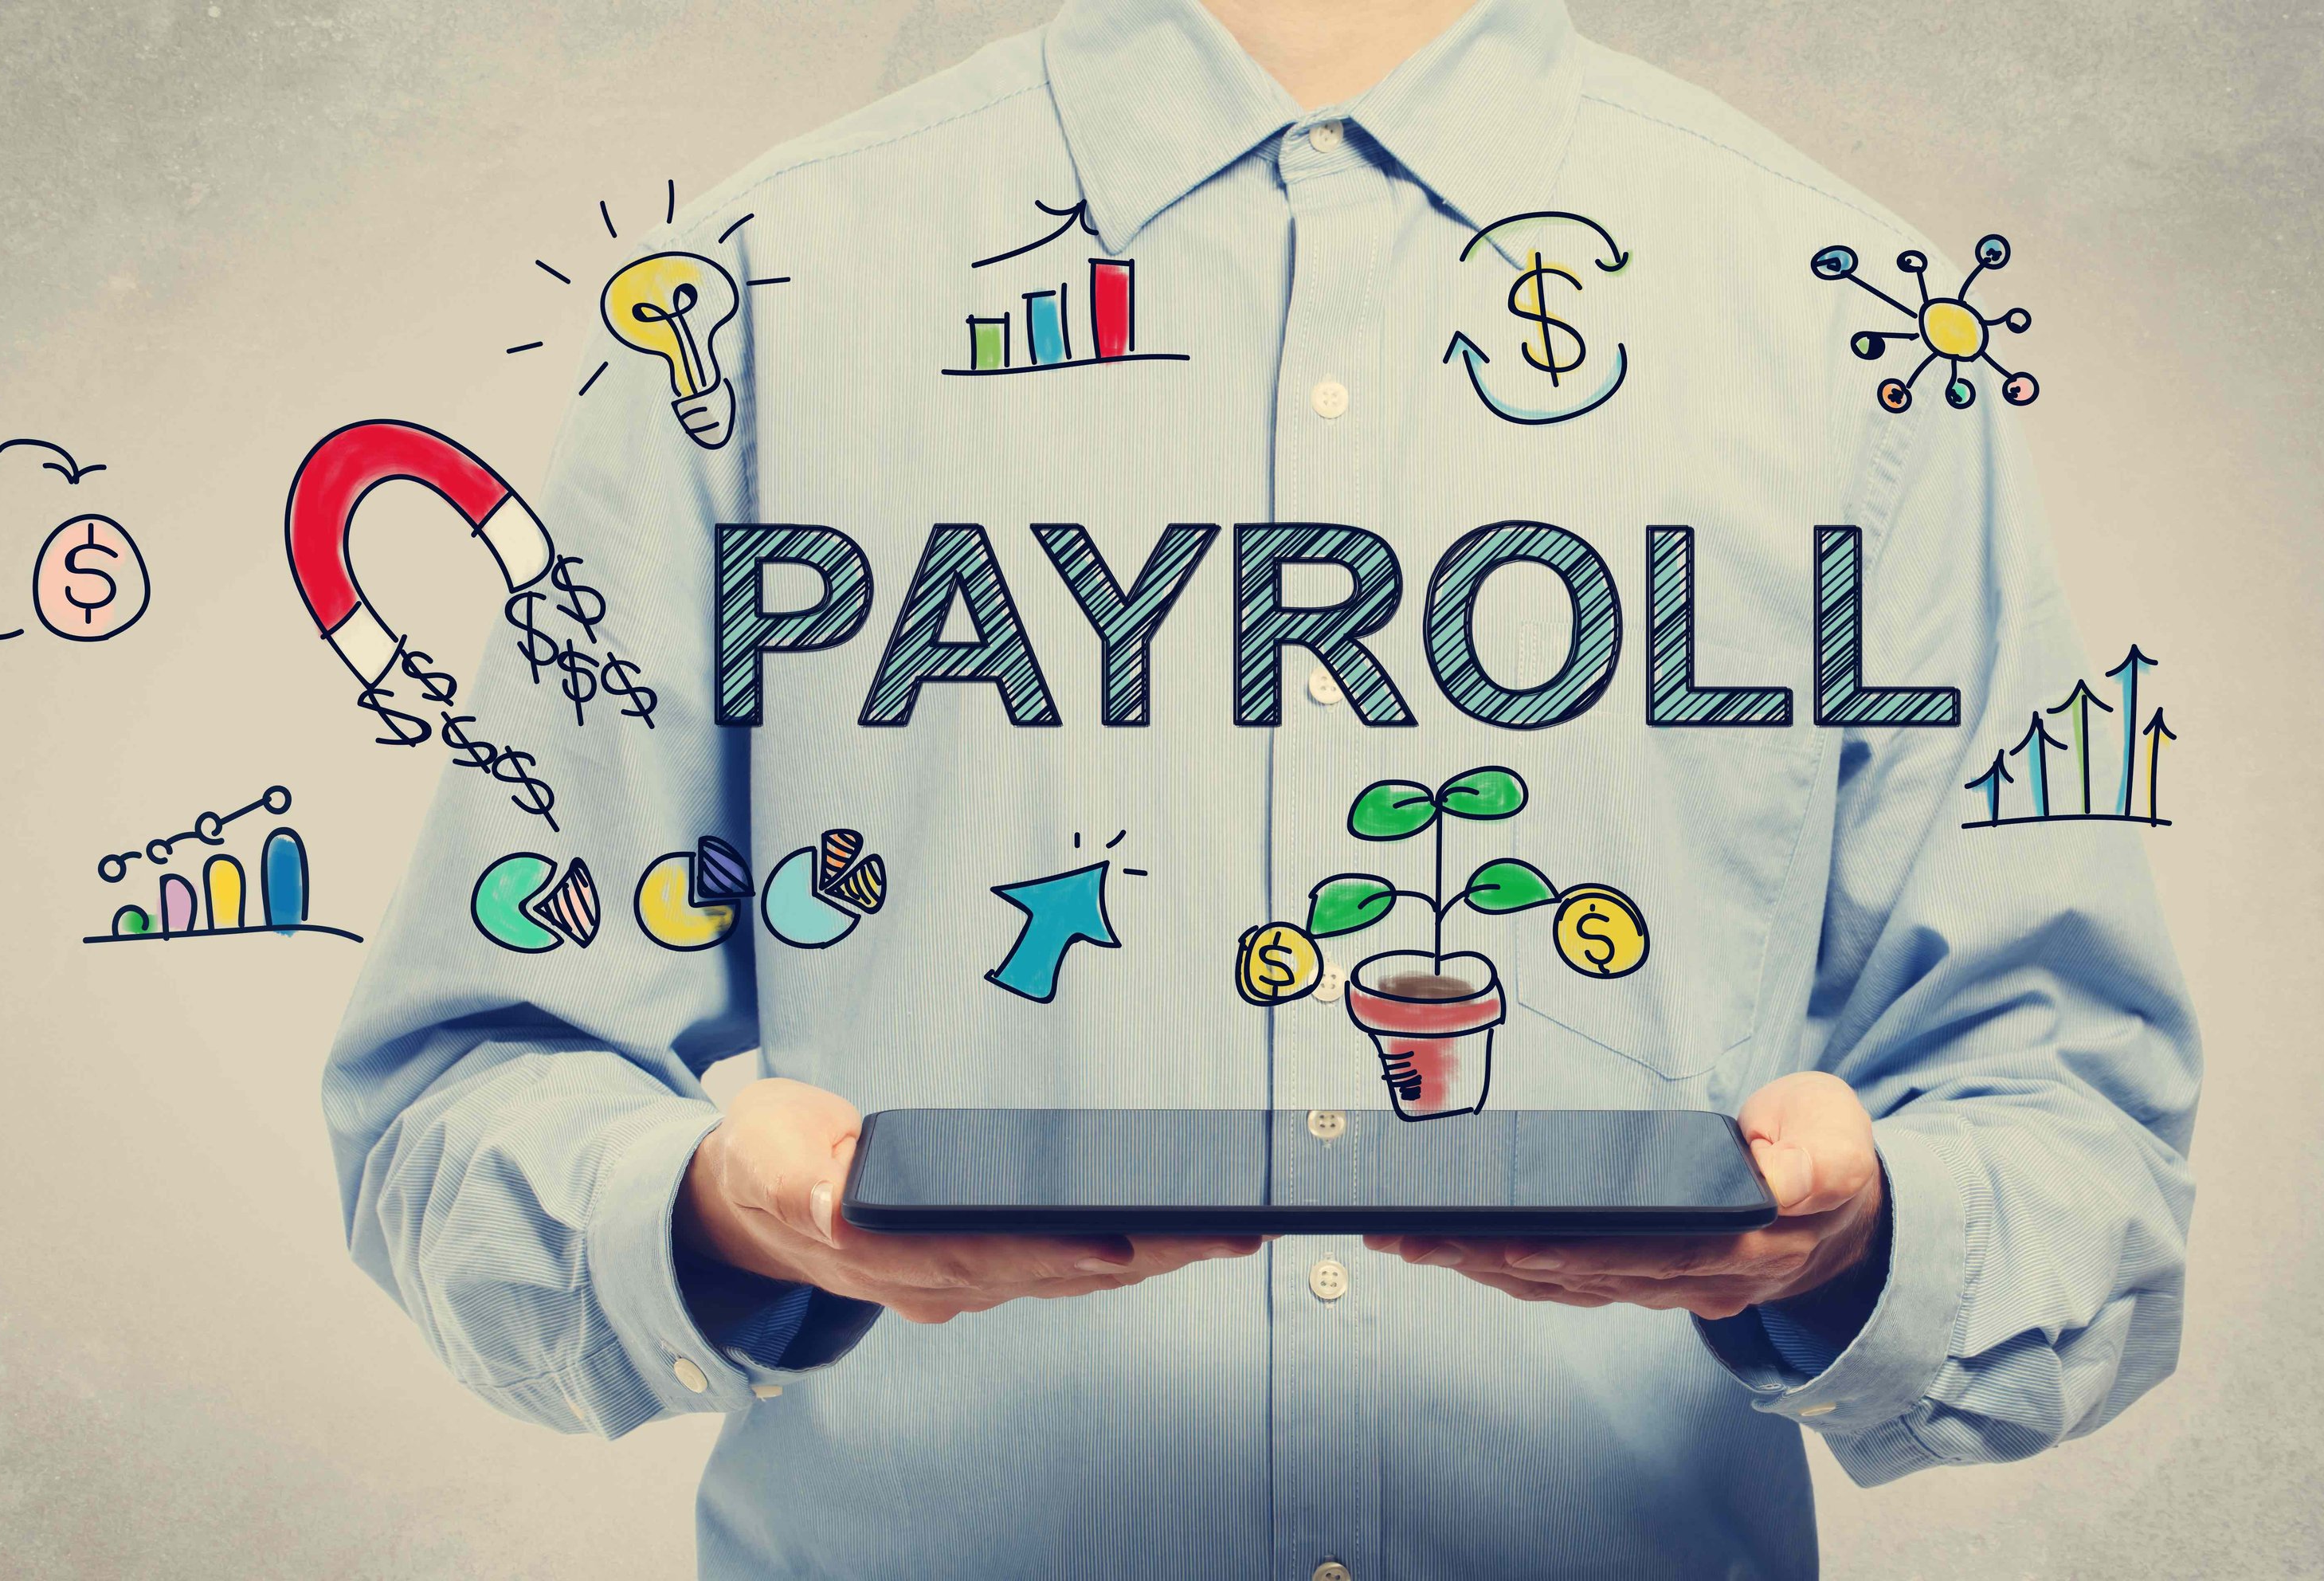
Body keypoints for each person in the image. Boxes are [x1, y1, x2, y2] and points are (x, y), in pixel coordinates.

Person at [321, 0, 2200, 1573]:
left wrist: (1859, 1227)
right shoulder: (746, 314)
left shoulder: (1851, 331)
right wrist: (720, 1213)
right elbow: (459, 1099)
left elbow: (2078, 1146)